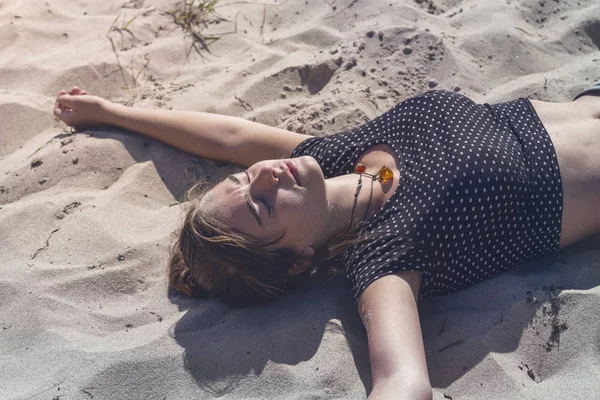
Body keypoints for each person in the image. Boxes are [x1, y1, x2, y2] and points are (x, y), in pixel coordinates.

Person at [53, 84, 600, 400]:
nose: (265, 175)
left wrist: (112, 113)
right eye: (263, 207)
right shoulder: (385, 256)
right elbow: (403, 381)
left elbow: (230, 136)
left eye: (243, 180)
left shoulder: (344, 153)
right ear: (297, 261)